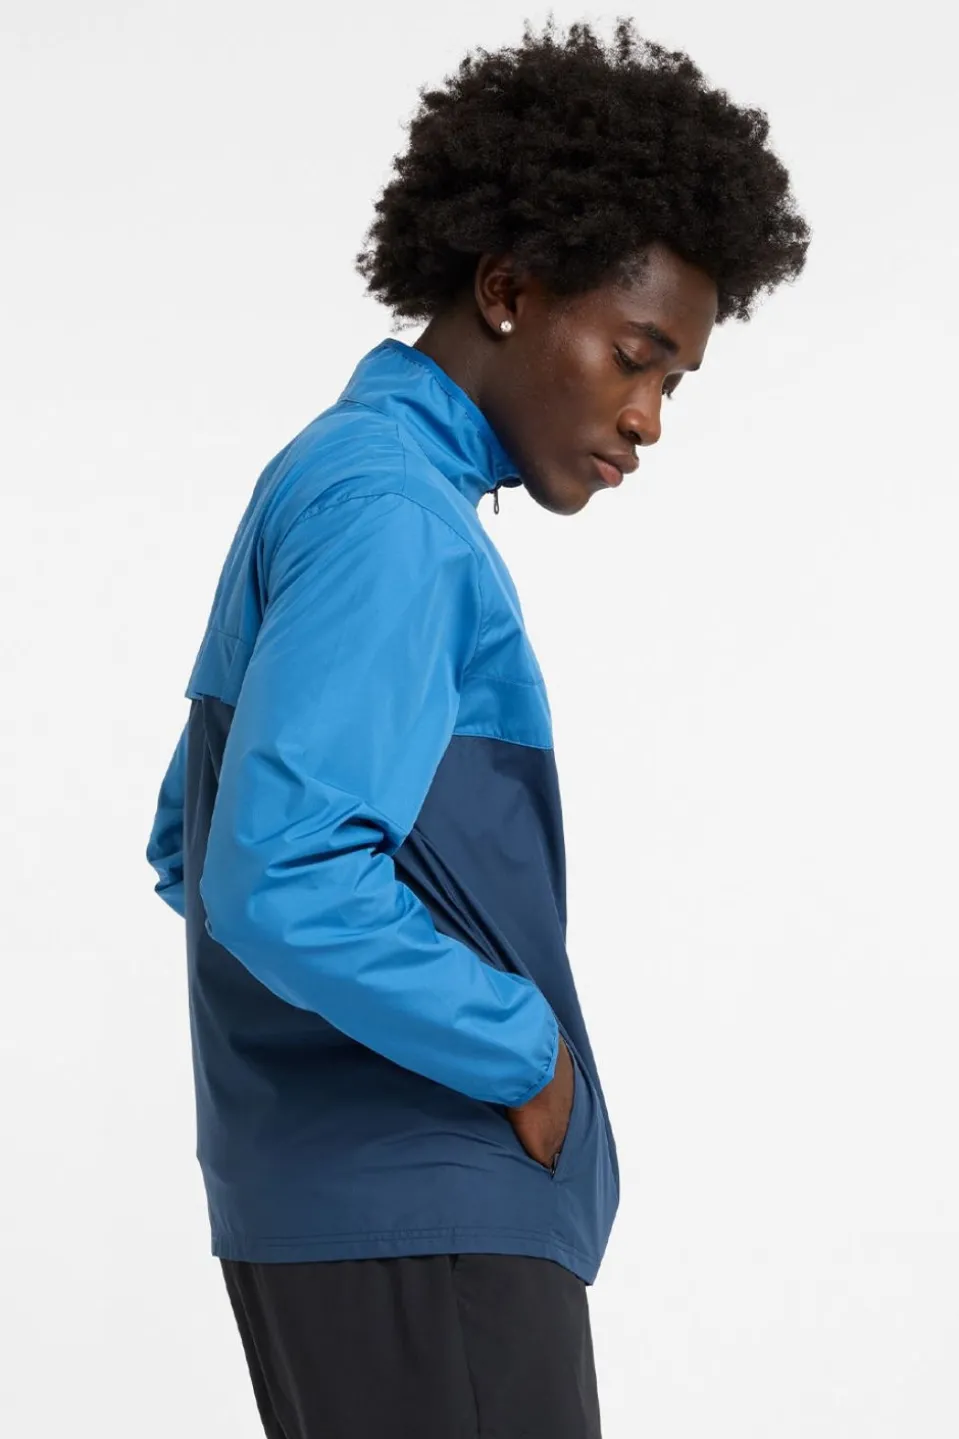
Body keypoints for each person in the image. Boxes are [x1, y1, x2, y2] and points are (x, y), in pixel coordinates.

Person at [146, 16, 809, 1437]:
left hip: (331, 1208)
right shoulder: (392, 515)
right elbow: (274, 872)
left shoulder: (338, 480)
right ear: (507, 289)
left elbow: (187, 840)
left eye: (671, 381)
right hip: (426, 1208)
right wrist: (523, 1050)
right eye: (633, 355)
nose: (648, 417)